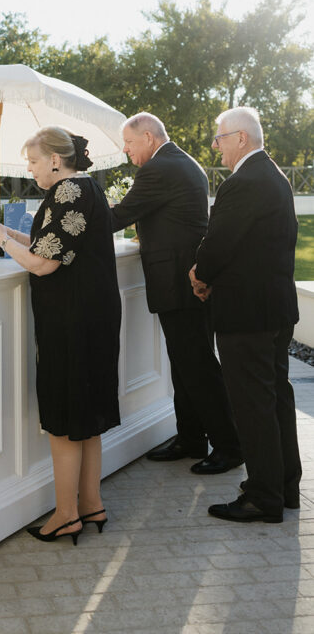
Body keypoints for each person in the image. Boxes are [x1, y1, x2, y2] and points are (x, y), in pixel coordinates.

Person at [0, 126, 121, 545]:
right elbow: (50, 246)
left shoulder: (66, 193)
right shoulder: (87, 188)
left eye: (34, 161)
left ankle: (65, 514)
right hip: (94, 315)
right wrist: (6, 234)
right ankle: (92, 504)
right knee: (88, 416)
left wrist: (1, 239)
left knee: (64, 415)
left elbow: (44, 265)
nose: (31, 168)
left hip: (71, 320)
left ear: (56, 160)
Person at [111, 113, 242, 474]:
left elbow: (119, 215)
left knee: (197, 365)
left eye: (130, 142)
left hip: (181, 282)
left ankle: (230, 447)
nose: (125, 150)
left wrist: (71, 216)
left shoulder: (158, 169)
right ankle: (191, 437)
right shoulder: (181, 161)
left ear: (150, 138)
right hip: (183, 280)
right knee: (185, 363)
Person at [190, 107, 301, 524]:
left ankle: (262, 497)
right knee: (275, 398)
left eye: (219, 138)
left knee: (253, 404)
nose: (215, 146)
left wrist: (199, 274)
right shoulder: (273, 175)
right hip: (273, 307)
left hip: (247, 313)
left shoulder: (245, 181)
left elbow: (219, 242)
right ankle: (284, 486)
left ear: (240, 138)